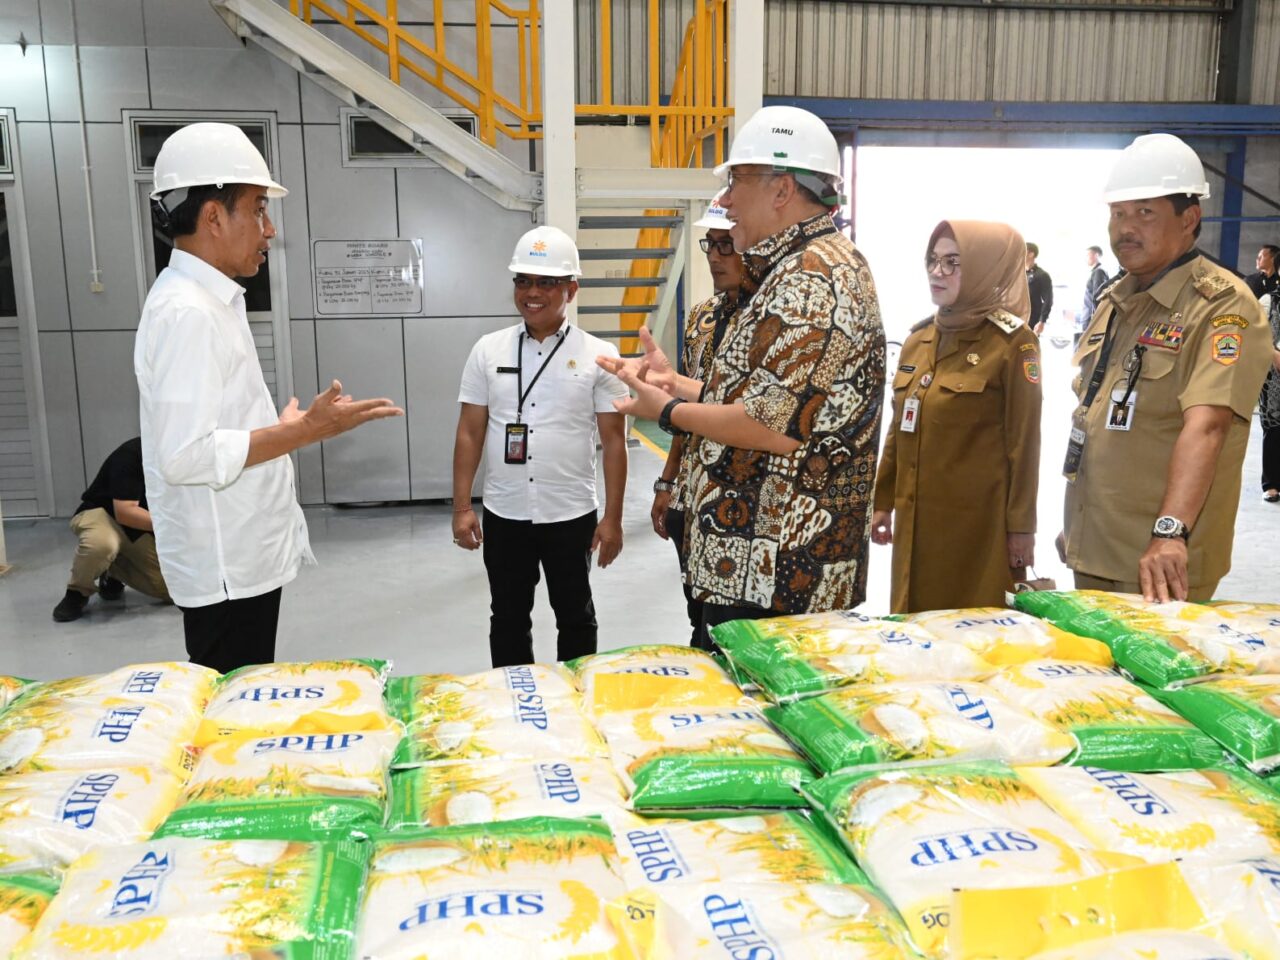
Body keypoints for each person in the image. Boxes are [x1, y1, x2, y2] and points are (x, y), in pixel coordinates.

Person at [599, 105, 885, 646]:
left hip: (775, 575)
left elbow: (769, 428)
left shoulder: (810, 277)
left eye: (737, 183)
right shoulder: (802, 267)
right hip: (762, 567)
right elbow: (781, 399)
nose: (726, 202)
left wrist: (662, 411)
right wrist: (676, 385)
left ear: (781, 190)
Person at [136, 122, 403, 673]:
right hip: (225, 570)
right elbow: (185, 455)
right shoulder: (188, 312)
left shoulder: (210, 301)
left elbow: (220, 425)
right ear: (213, 216)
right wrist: (303, 432)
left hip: (237, 559)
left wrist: (282, 429)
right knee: (231, 713)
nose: (269, 228)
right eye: (257, 209)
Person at [1059, 133, 1271, 603]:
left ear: (1189, 218)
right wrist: (1078, 526)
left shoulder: (1222, 307)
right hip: (1097, 545)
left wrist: (1170, 533)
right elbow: (1095, 413)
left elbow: (1209, 426)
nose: (1125, 228)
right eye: (1118, 213)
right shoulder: (1118, 299)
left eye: (1145, 212)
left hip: (1159, 560)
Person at [452, 225, 629, 667]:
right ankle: (517, 699)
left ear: (571, 288)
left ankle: (577, 698)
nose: (532, 293)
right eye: (523, 281)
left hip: (569, 514)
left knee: (575, 616)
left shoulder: (598, 355)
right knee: (508, 617)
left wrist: (612, 518)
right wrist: (460, 507)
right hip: (505, 512)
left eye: (546, 283)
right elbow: (470, 432)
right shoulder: (487, 350)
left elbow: (613, 441)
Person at [870, 221, 1040, 613]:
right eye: (933, 260)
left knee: (973, 635)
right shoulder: (919, 339)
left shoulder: (1013, 344)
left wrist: (1021, 528)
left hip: (977, 531)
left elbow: (1025, 443)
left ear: (985, 268)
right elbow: (900, 427)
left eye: (953, 263)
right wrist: (884, 500)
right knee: (913, 629)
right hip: (916, 525)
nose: (937, 272)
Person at [650, 189, 744, 649]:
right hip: (691, 492)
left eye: (728, 244)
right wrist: (667, 484)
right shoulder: (703, 319)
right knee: (697, 609)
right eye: (711, 243)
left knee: (725, 628)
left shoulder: (771, 322)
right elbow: (688, 417)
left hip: (737, 502)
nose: (715, 257)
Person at [52, 437, 170, 622]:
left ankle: (113, 570)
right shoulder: (132, 453)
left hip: (141, 526)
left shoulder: (188, 458)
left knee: (172, 590)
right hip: (103, 512)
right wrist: (176, 526)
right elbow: (125, 513)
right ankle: (77, 592)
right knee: (101, 545)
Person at [1253, 246, 1280, 501]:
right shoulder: (1268, 300)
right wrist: (1274, 354)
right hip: (1274, 373)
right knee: (1273, 425)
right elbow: (1257, 336)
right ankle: (1271, 483)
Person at [1079, 245, 1110, 347]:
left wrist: (1095, 318)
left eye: (1088, 255)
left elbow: (1098, 296)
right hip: (1088, 317)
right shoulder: (1096, 272)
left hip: (1090, 319)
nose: (1086, 258)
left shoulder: (1099, 272)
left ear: (1096, 255)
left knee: (1089, 349)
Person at [1026, 241, 1054, 335]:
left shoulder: (1042, 275)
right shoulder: (1018, 273)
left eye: (1023, 251)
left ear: (1031, 254)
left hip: (1032, 319)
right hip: (1017, 318)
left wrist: (1042, 321)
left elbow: (1048, 300)